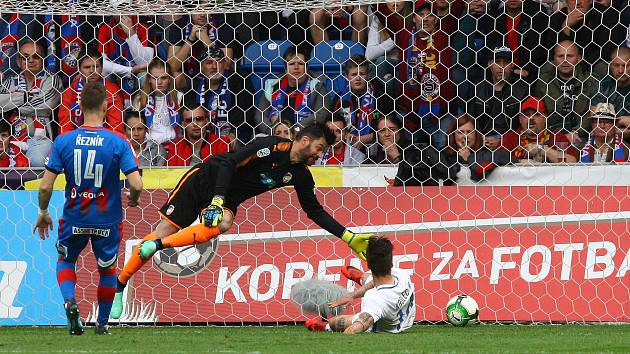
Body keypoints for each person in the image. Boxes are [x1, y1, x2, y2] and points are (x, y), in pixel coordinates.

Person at [110, 123, 374, 319]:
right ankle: (119, 285)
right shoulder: (270, 146)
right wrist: (216, 199)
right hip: (205, 179)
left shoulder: (301, 175)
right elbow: (229, 164)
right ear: (304, 140)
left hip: (227, 199)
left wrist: (347, 235)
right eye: (319, 148)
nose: (320, 155)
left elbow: (314, 211)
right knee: (162, 230)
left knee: (222, 225)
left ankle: (158, 247)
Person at [32, 82, 142, 335]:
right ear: (106, 106)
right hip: (107, 219)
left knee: (66, 260)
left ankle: (70, 302)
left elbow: (46, 186)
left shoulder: (63, 141)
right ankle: (102, 324)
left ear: (80, 107)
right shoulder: (118, 141)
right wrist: (134, 198)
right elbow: (136, 183)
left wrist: (42, 212)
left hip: (75, 216)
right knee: (107, 269)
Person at [305, 236, 415, 334]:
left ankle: (326, 327)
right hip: (405, 317)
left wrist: (349, 332)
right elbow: (374, 282)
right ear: (391, 263)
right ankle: (361, 277)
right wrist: (352, 295)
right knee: (370, 278)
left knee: (337, 322)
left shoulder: (374, 300)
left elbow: (359, 326)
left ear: (368, 265)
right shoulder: (402, 274)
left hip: (386, 326)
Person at [0, 40, 61, 167]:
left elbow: (47, 104)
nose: (31, 60)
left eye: (36, 56)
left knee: (37, 163)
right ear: (18, 62)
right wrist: (25, 97)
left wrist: (13, 106)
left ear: (43, 60)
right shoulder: (10, 81)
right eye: (26, 57)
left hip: (40, 139)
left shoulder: (53, 79)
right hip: (9, 139)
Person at [254, 46, 330, 135]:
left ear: (306, 67)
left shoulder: (317, 85)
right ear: (286, 68)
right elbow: (260, 115)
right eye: (291, 64)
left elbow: (322, 114)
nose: (296, 67)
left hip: (304, 135)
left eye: (301, 64)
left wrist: (297, 130)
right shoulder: (273, 85)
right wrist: (273, 131)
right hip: (275, 135)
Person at [188, 47, 255, 146]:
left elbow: (246, 112)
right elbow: (188, 114)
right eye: (209, 62)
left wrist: (233, 133)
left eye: (219, 62)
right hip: (201, 136)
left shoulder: (239, 81)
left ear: (225, 65)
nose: (214, 66)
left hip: (234, 136)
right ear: (201, 67)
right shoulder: (194, 86)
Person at [534, 40, 597, 142]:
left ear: (579, 58)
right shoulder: (544, 82)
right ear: (554, 59)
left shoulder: (590, 81)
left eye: (570, 56)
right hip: (551, 136)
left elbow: (594, 113)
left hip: (583, 136)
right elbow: (539, 113)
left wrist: (576, 131)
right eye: (560, 56)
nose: (565, 61)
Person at [58, 46, 125, 134]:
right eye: (86, 67)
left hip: (104, 141)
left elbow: (116, 127)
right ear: (79, 69)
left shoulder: (112, 90)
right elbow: (65, 128)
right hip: (76, 142)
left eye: (96, 66)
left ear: (102, 68)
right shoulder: (69, 92)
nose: (92, 71)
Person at [469, 46, 529, 135]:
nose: (502, 66)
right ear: (489, 64)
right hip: (482, 141)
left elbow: (527, 121)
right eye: (497, 62)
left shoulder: (523, 87)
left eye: (506, 62)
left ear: (512, 64)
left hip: (512, 141)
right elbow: (470, 120)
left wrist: (503, 140)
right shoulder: (477, 87)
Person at [502, 97, 579, 163]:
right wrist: (519, 162)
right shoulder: (509, 138)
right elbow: (497, 159)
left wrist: (541, 149)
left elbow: (571, 161)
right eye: (527, 115)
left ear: (545, 118)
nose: (531, 118)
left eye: (536, 114)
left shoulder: (557, 137)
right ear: (520, 119)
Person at [443, 114, 512, 182]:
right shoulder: (443, 154)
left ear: (476, 134)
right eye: (460, 132)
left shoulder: (486, 154)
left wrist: (469, 158)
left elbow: (479, 177)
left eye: (469, 132)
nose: (465, 136)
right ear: (453, 135)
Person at [132, 58, 182, 145]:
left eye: (164, 78)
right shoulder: (140, 99)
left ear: (170, 79)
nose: (159, 82)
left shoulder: (179, 97)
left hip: (173, 146)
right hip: (148, 148)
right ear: (149, 79)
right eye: (155, 78)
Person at [333, 55, 377, 151]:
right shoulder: (339, 98)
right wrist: (345, 135)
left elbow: (389, 127)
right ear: (347, 76)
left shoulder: (379, 95)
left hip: (374, 145)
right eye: (353, 74)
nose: (358, 78)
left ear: (368, 75)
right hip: (346, 145)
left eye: (362, 74)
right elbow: (332, 125)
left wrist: (366, 138)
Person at [165, 103, 231, 166]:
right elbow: (169, 174)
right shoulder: (176, 146)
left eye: (199, 119)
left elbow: (223, 172)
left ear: (207, 121)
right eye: (189, 120)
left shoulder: (221, 143)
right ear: (183, 125)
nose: (195, 124)